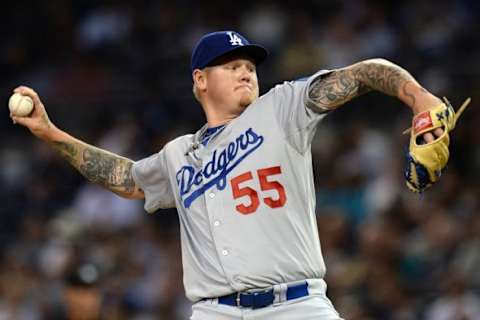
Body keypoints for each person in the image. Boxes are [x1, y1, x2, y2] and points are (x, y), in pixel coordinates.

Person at [11, 30, 446, 319]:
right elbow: (126, 178)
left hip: (296, 305)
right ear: (200, 79)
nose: (245, 69)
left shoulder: (283, 108)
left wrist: (420, 98)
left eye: (250, 64)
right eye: (230, 63)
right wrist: (51, 134)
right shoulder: (178, 154)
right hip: (215, 312)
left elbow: (364, 74)